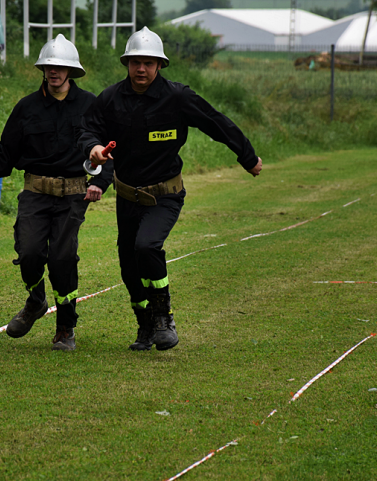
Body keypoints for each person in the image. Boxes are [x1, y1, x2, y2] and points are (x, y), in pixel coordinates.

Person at [79, 27, 262, 351]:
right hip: (127, 196)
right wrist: (93, 147)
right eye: (136, 62)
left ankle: (164, 316)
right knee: (128, 265)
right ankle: (145, 326)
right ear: (127, 63)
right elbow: (88, 128)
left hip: (165, 194)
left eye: (149, 63)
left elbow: (215, 122)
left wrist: (246, 157)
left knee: (147, 246)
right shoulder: (110, 98)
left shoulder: (177, 97)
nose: (141, 69)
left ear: (160, 65)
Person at [0, 35, 112, 351]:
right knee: (29, 252)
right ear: (42, 70)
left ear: (71, 71)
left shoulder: (90, 105)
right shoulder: (26, 108)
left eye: (60, 67)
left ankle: (65, 328)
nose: (53, 72)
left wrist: (100, 181)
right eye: (48, 67)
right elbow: (6, 157)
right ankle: (36, 300)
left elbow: (109, 150)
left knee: (62, 258)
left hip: (73, 194)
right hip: (34, 192)